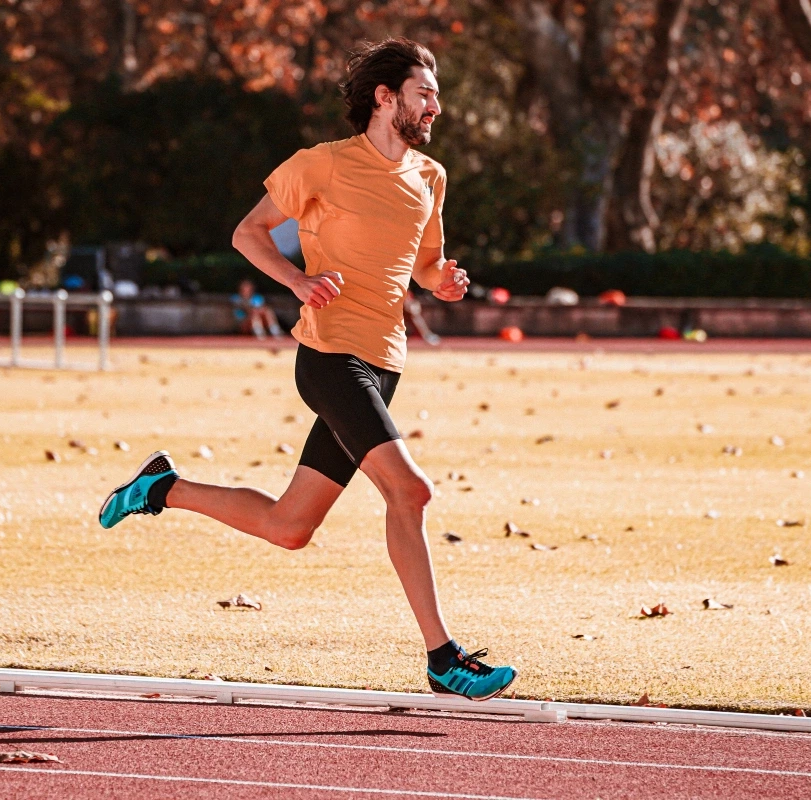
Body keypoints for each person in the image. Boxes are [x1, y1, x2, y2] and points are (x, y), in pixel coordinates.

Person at [98, 38, 516, 701]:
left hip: (384, 365)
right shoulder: (321, 165)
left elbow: (426, 264)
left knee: (290, 528)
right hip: (329, 358)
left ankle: (161, 488)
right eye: (424, 93)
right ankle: (444, 658)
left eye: (436, 95)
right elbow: (248, 232)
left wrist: (445, 282)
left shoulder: (430, 177)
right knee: (411, 493)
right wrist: (297, 280)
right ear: (386, 97)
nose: (435, 105)